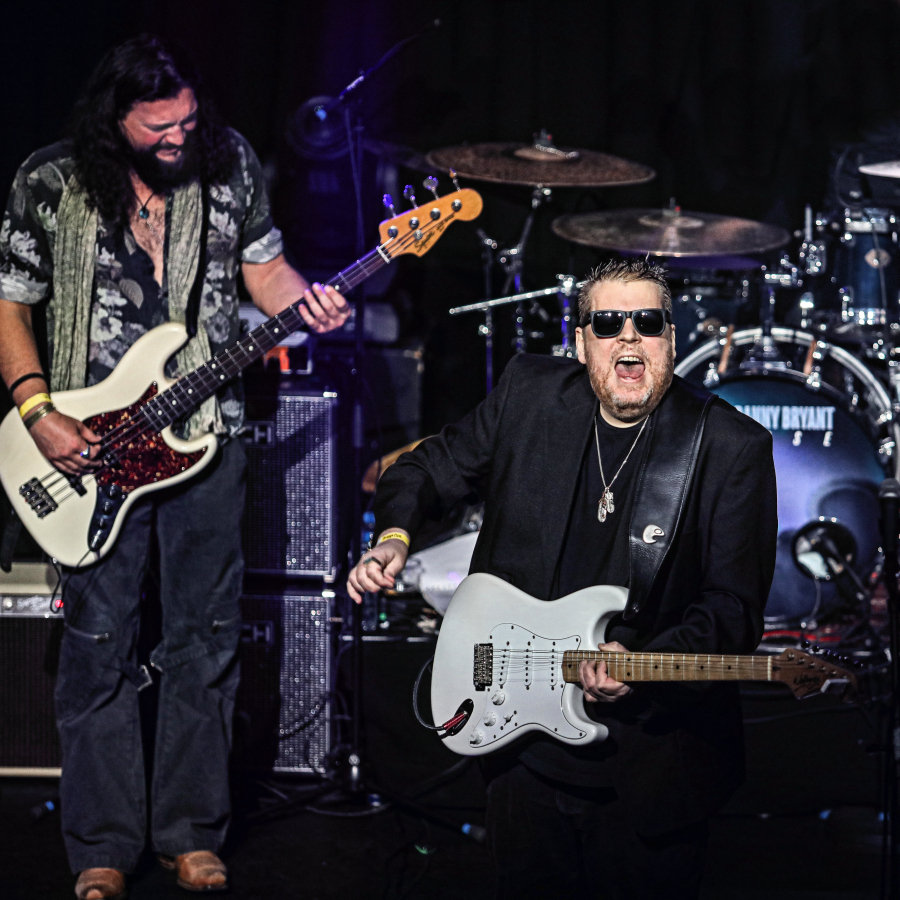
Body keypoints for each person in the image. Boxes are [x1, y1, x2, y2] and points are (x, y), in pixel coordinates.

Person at [0, 35, 350, 900]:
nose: (176, 138)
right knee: (98, 646)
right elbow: (9, 305)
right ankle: (101, 846)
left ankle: (191, 833)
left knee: (206, 640)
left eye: (187, 121)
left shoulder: (228, 165)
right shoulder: (49, 181)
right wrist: (37, 411)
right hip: (86, 445)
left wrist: (309, 302)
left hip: (205, 437)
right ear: (113, 117)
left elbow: (266, 272)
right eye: (157, 127)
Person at [348, 257, 778, 898]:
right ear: (580, 343)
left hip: (651, 767)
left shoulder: (730, 446)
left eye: (647, 322)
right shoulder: (529, 395)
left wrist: (640, 663)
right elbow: (424, 468)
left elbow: (732, 610)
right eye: (607, 323)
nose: (628, 337)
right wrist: (393, 539)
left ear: (670, 339)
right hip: (518, 750)